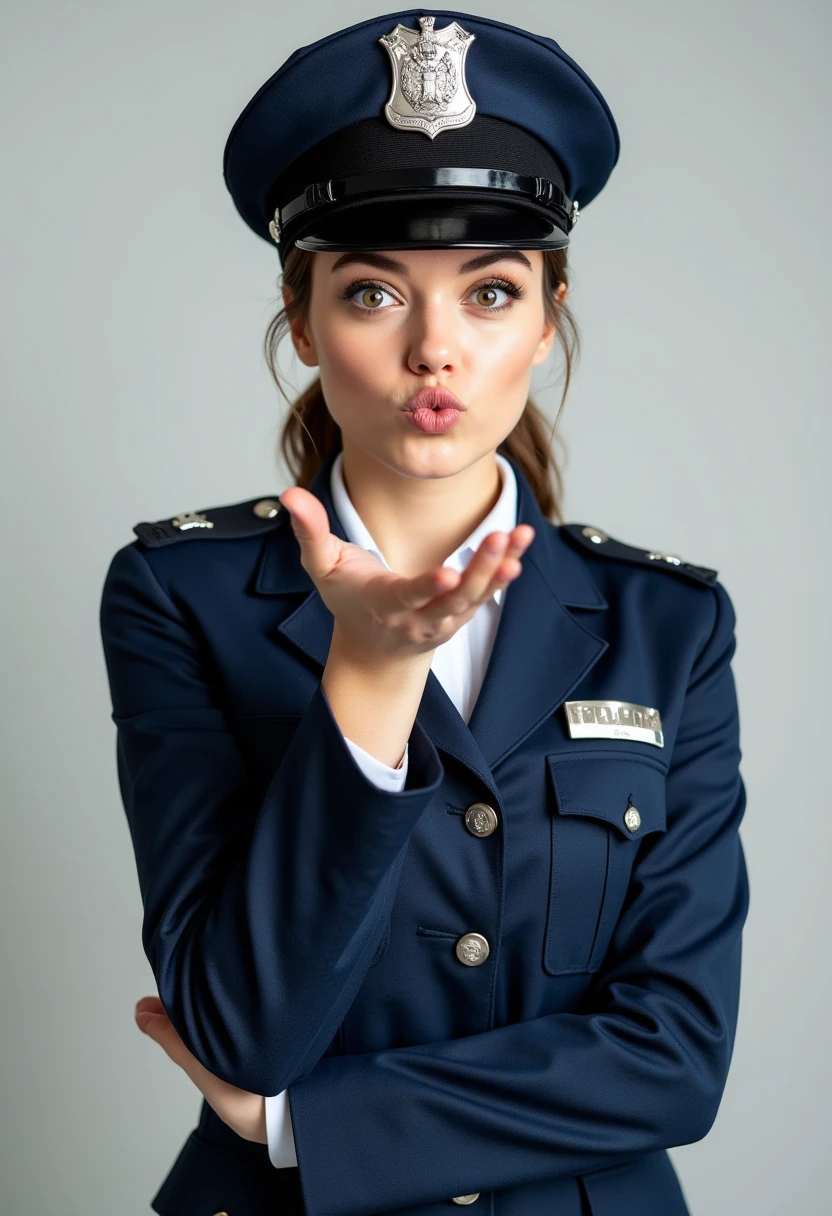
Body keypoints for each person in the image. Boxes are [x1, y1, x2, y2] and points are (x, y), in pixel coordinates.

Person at [99, 9, 750, 1216]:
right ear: (303, 323)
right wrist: (369, 675)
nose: (434, 351)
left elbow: (676, 1058)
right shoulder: (178, 596)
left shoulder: (670, 624)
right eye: (372, 293)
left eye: (491, 291)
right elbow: (241, 1026)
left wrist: (304, 1127)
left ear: (548, 319)